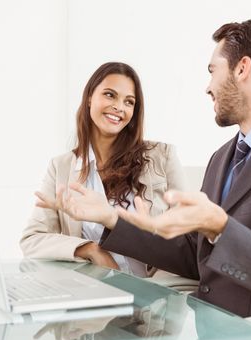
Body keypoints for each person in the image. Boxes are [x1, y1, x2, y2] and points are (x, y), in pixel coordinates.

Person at [49, 18, 251, 340]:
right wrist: (112, 219)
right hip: (206, 334)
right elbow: (196, 256)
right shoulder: (223, 156)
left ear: (243, 69)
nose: (208, 85)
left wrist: (220, 227)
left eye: (213, 70)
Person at [20, 62, 186, 277]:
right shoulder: (61, 167)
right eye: (110, 95)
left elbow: (187, 240)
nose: (119, 107)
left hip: (154, 297)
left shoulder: (162, 157)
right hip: (96, 294)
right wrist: (89, 249)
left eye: (129, 102)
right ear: (90, 97)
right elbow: (32, 239)